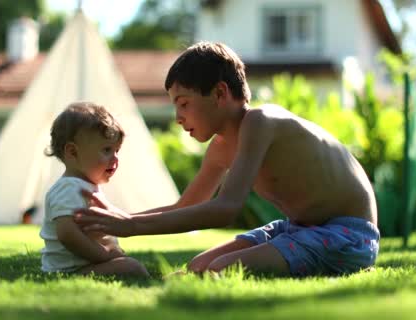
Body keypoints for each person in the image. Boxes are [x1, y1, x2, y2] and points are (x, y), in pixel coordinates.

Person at [75, 42, 380, 277]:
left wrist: (130, 227)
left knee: (218, 269)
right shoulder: (221, 148)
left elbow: (225, 209)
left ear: (220, 93)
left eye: (184, 103)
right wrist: (117, 220)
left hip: (347, 234)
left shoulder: (261, 122)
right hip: (298, 228)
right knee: (198, 267)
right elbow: (187, 206)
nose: (178, 118)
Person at [39, 102, 149, 277]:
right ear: (72, 152)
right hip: (70, 271)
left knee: (129, 266)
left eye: (117, 150)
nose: (115, 158)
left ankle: (151, 277)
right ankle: (152, 280)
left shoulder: (83, 185)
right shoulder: (70, 187)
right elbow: (67, 233)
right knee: (131, 268)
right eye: (106, 150)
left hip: (84, 266)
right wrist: (104, 256)